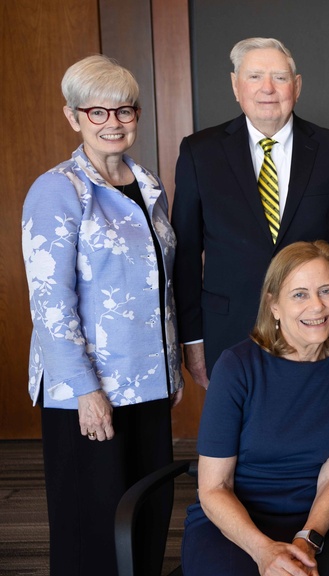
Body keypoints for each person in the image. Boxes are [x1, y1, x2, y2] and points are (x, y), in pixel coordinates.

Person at [21, 54, 183, 576]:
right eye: (97, 112)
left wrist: (172, 367)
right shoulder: (57, 189)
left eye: (124, 110)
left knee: (147, 514)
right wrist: (85, 390)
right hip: (89, 392)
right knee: (93, 526)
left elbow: (161, 285)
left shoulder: (147, 183)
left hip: (147, 381)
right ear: (73, 117)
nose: (113, 123)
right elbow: (50, 302)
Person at [173, 37, 329, 389]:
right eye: (254, 77)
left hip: (318, 331)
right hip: (229, 331)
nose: (267, 88)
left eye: (279, 77)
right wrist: (193, 339)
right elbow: (185, 254)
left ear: (297, 86)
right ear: (235, 86)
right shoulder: (199, 153)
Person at [181, 240, 329, 575]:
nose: (316, 306)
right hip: (232, 524)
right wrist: (263, 550)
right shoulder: (236, 366)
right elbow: (214, 488)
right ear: (274, 306)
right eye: (299, 294)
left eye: (326, 291)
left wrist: (307, 539)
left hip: (316, 522)